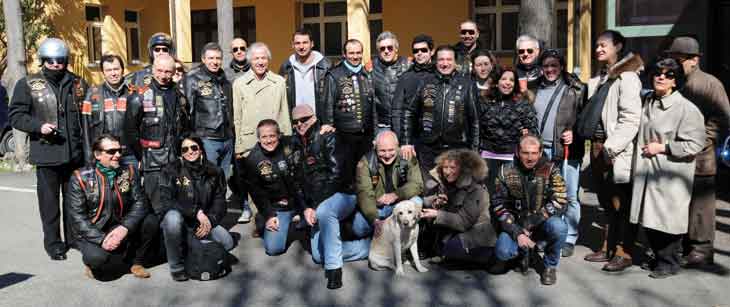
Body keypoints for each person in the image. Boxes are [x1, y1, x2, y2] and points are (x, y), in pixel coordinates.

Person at [9, 37, 88, 260]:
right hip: (46, 154)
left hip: (74, 155)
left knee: (74, 202)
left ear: (66, 61)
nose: (56, 65)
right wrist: (38, 126)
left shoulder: (78, 83)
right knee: (49, 204)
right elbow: (16, 115)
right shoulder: (28, 84)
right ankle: (53, 244)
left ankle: (74, 240)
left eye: (60, 60)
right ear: (43, 60)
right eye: (51, 60)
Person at [629, 58, 705, 278]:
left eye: (669, 74)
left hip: (671, 173)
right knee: (650, 219)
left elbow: (696, 143)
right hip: (647, 171)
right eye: (658, 73)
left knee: (667, 219)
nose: (662, 77)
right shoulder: (648, 101)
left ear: (675, 81)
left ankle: (669, 262)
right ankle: (658, 257)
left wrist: (663, 147)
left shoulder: (686, 109)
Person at [288, 105, 373, 290]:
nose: (300, 124)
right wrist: (305, 208)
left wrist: (316, 206)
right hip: (315, 203)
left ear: (314, 117)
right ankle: (369, 247)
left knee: (325, 212)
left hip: (342, 194)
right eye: (295, 122)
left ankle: (334, 270)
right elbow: (295, 182)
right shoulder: (293, 144)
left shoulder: (329, 137)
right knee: (319, 255)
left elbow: (337, 176)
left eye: (304, 119)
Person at [578, 30, 643, 272]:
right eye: (596, 46)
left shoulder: (627, 78)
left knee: (621, 204)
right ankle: (607, 246)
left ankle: (623, 252)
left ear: (618, 47)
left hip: (614, 149)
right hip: (597, 148)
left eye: (604, 45)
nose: (598, 49)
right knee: (606, 202)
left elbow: (631, 119)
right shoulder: (602, 79)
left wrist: (611, 148)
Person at [666, 36, 730, 266]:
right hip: (676, 155)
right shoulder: (676, 81)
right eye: (672, 58)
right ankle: (685, 245)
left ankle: (702, 250)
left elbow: (722, 117)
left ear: (694, 60)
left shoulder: (710, 84)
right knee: (681, 202)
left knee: (701, 206)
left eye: (679, 59)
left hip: (702, 157)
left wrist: (703, 138)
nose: (674, 62)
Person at [66, 135, 155, 279]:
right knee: (98, 259)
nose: (118, 155)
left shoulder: (129, 171)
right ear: (97, 154)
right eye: (112, 151)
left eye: (119, 150)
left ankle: (136, 262)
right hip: (95, 230)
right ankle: (92, 262)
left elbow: (141, 203)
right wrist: (102, 239)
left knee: (151, 221)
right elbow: (77, 217)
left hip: (119, 225)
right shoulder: (80, 177)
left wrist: (124, 227)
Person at [491, 135, 569, 285]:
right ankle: (523, 253)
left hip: (542, 222)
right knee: (502, 251)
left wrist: (532, 222)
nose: (530, 157)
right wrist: (517, 232)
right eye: (525, 153)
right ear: (517, 152)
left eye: (534, 153)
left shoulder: (551, 170)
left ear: (540, 153)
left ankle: (550, 266)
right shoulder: (504, 171)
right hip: (515, 224)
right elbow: (498, 205)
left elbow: (561, 199)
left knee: (559, 227)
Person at [531, 49, 586, 257]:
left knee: (569, 195)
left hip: (566, 150)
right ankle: (549, 234)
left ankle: (570, 237)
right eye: (546, 66)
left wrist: (576, 134)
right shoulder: (536, 88)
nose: (550, 69)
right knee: (545, 195)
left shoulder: (575, 89)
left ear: (561, 66)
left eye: (554, 65)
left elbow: (584, 119)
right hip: (540, 151)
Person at [159, 135, 234, 281]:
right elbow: (166, 201)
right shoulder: (170, 170)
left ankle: (188, 246)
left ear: (201, 150)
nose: (190, 151)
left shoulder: (215, 171)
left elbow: (220, 202)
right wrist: (195, 213)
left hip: (202, 222)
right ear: (180, 152)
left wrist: (210, 221)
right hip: (181, 220)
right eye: (185, 149)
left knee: (228, 243)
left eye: (194, 147)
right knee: (172, 218)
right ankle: (176, 266)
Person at [232, 42, 291, 224]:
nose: (260, 62)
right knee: (255, 181)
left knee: (276, 178)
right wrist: (239, 146)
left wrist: (287, 143)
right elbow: (237, 117)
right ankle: (260, 219)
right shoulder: (239, 84)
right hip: (250, 140)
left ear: (269, 60)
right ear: (250, 60)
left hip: (274, 140)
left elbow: (284, 113)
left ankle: (276, 216)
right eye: (256, 58)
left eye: (263, 58)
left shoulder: (279, 82)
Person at [125, 54, 190, 219]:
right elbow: (130, 131)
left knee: (175, 204)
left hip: (174, 161)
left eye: (168, 71)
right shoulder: (139, 96)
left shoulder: (180, 96)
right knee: (154, 208)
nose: (163, 75)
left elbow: (185, 128)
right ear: (153, 70)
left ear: (174, 72)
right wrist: (142, 156)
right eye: (160, 71)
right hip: (152, 162)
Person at [401, 45, 479, 176]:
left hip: (457, 148)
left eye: (449, 60)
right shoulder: (425, 81)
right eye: (441, 60)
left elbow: (475, 120)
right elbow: (409, 112)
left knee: (455, 192)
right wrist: (407, 142)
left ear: (455, 62)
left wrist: (474, 150)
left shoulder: (467, 84)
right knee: (430, 190)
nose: (445, 63)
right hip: (428, 148)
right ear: (435, 61)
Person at [420, 149, 495, 265]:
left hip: (477, 234)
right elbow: (436, 200)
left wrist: (437, 214)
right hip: (458, 230)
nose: (448, 172)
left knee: (451, 249)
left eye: (452, 168)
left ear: (463, 168)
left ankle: (485, 258)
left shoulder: (476, 189)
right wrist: (436, 202)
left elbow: (464, 222)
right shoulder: (447, 183)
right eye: (445, 167)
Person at [322, 39, 377, 192]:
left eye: (358, 52)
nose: (355, 56)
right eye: (351, 53)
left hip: (365, 136)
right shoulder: (334, 75)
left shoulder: (368, 74)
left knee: (364, 176)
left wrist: (375, 134)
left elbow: (373, 107)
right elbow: (327, 105)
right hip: (343, 137)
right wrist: (330, 132)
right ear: (344, 54)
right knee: (346, 179)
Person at [239, 120, 298, 256]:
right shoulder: (253, 160)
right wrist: (269, 215)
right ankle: (263, 219)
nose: (269, 140)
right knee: (273, 248)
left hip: (300, 201)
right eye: (264, 137)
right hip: (278, 207)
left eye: (272, 136)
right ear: (259, 139)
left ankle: (299, 218)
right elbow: (257, 193)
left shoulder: (291, 145)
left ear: (279, 135)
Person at [478, 68, 538, 194]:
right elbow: (476, 128)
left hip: (511, 159)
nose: (507, 83)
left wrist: (526, 136)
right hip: (488, 157)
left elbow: (533, 133)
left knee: (511, 196)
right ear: (496, 82)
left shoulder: (522, 104)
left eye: (511, 80)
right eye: (504, 79)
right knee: (488, 195)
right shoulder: (484, 102)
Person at [184, 43, 234, 180]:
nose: (214, 62)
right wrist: (192, 138)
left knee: (223, 179)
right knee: (208, 179)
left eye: (218, 58)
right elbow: (187, 111)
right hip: (207, 138)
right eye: (211, 58)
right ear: (203, 59)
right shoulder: (192, 79)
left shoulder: (225, 79)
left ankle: (220, 202)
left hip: (227, 138)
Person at [355, 130, 423, 229]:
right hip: (378, 207)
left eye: (391, 150)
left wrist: (396, 195)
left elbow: (418, 184)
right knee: (358, 228)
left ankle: (405, 237)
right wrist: (375, 220)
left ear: (397, 146)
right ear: (375, 148)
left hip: (401, 205)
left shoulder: (407, 156)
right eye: (382, 151)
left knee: (417, 201)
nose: (387, 155)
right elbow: (364, 194)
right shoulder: (365, 162)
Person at [81, 54, 137, 169]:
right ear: (103, 72)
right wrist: (88, 157)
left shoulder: (134, 93)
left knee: (131, 186)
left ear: (123, 70)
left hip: (130, 155)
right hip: (104, 155)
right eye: (108, 70)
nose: (113, 73)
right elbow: (85, 129)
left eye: (116, 69)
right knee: (106, 187)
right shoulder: (93, 94)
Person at [279, 28, 332, 120]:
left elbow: (332, 98)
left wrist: (329, 122)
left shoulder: (326, 66)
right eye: (297, 43)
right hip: (295, 123)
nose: (301, 46)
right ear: (292, 45)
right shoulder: (286, 67)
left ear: (312, 44)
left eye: (305, 42)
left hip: (319, 122)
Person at [391, 34, 436, 139]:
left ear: (432, 51)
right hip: (411, 135)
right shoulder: (406, 76)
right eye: (416, 51)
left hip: (435, 134)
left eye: (423, 50)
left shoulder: (439, 74)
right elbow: (397, 109)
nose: (419, 53)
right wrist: (400, 137)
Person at [367, 31, 411, 131]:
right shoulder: (370, 67)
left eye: (390, 47)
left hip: (404, 124)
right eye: (382, 48)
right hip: (381, 126)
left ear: (396, 49)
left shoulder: (408, 65)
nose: (386, 51)